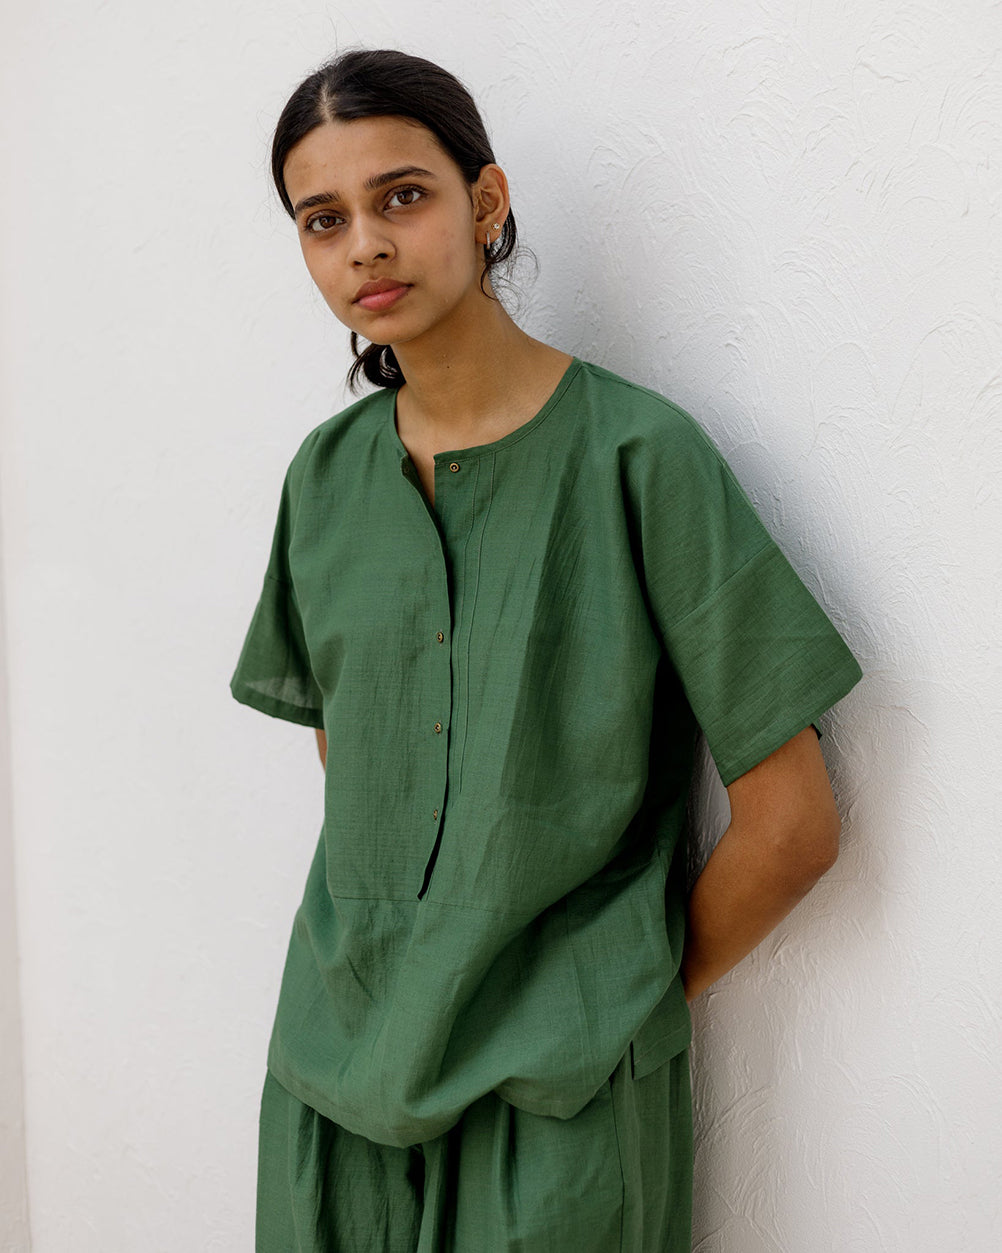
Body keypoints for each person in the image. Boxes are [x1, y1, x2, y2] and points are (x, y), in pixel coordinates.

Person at [230, 47, 862, 1253]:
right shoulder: (324, 479)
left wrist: (606, 1008)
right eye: (324, 219)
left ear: (487, 201)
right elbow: (356, 771)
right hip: (331, 1083)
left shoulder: (640, 459)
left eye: (402, 195)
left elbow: (793, 825)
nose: (366, 245)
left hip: (558, 1117)